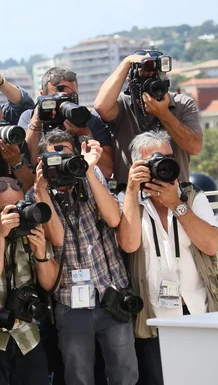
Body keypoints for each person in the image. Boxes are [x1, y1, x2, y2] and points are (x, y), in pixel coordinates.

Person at [32, 129, 138, 385]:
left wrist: (88, 169)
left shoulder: (91, 179)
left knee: (124, 373)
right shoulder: (37, 196)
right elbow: (57, 238)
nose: (61, 165)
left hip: (111, 295)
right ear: (41, 162)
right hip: (71, 303)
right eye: (53, 159)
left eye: (66, 156)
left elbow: (114, 218)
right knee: (78, 377)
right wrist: (41, 190)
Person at [117, 131, 218, 385]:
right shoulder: (127, 199)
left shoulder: (193, 195)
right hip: (154, 317)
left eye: (168, 157)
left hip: (195, 310)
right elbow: (129, 244)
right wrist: (131, 189)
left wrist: (177, 204)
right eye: (154, 159)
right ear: (136, 166)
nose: (163, 165)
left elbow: (211, 244)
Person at [0, 177, 59, 384]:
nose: (14, 216)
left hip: (27, 336)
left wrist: (41, 254)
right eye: (4, 211)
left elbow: (51, 285)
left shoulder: (31, 224)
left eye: (18, 208)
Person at [94, 50, 203, 187]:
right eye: (144, 76)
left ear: (165, 76)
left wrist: (164, 114)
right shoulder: (122, 104)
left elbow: (195, 147)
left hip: (175, 195)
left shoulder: (182, 104)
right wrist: (127, 62)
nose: (151, 81)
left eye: (156, 75)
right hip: (133, 197)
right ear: (130, 80)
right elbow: (101, 106)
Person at [18, 67, 114, 178]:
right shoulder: (29, 118)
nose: (64, 103)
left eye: (70, 97)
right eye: (57, 98)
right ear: (43, 96)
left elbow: (107, 171)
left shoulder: (90, 120)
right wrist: (36, 122)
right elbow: (31, 163)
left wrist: (84, 134)